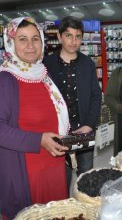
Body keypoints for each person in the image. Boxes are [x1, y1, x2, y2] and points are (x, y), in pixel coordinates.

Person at [0, 17, 69, 219]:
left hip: (52, 167)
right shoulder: (6, 80)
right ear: (10, 43)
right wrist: (38, 140)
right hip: (27, 173)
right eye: (22, 39)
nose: (31, 46)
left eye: (35, 39)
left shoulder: (42, 74)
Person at [43, 16, 102, 191]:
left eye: (78, 36)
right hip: (58, 133)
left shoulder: (88, 64)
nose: (73, 41)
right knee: (61, 179)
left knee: (86, 179)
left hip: (83, 132)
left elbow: (96, 96)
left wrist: (89, 125)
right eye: (69, 35)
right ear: (60, 37)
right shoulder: (47, 64)